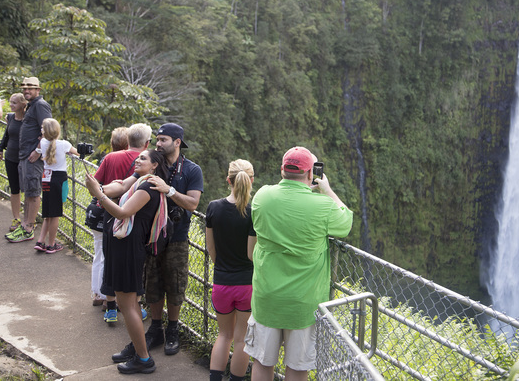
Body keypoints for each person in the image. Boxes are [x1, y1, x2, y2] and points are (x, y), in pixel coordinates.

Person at [244, 147, 353, 381]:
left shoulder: (262, 196)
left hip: (267, 297)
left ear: (282, 169)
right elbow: (345, 222)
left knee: (262, 362)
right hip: (303, 303)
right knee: (297, 368)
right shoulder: (322, 207)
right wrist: (327, 190)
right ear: (311, 173)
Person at [103, 123, 203, 357]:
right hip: (149, 237)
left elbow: (193, 203)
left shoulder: (191, 170)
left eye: (164, 140)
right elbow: (125, 184)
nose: (158, 143)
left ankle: (173, 330)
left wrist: (169, 191)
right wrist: (101, 189)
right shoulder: (151, 164)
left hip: (176, 236)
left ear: (177, 142)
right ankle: (155, 329)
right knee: (152, 284)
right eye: (157, 139)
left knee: (175, 285)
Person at [85, 149, 169, 375]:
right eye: (137, 157)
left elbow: (123, 213)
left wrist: (98, 194)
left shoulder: (147, 187)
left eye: (143, 158)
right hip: (124, 249)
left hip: (128, 252)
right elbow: (120, 186)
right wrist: (101, 188)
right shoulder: (139, 183)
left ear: (154, 165)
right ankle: (139, 351)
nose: (137, 160)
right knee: (129, 304)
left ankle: (143, 359)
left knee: (127, 304)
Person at [94, 123, 151, 323]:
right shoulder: (147, 165)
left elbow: (104, 184)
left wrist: (100, 193)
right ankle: (134, 307)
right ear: (147, 143)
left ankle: (109, 306)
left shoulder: (111, 157)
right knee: (135, 265)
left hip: (110, 215)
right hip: (134, 220)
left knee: (109, 260)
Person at [206, 159, 256, 381]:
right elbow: (250, 254)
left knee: (223, 335)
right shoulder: (253, 212)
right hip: (246, 284)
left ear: (228, 180)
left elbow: (211, 250)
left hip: (222, 282)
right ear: (251, 181)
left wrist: (223, 266)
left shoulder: (213, 207)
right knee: (242, 339)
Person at [5, 77, 52, 242]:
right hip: (24, 156)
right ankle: (25, 224)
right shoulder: (31, 106)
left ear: (38, 90)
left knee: (33, 193)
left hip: (33, 158)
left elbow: (49, 129)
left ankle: (29, 228)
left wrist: (38, 151)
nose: (26, 91)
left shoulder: (40, 105)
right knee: (28, 193)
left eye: (30, 88)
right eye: (24, 88)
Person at [31, 118, 78, 253]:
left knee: (48, 212)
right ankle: (51, 244)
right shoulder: (64, 144)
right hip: (58, 179)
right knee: (55, 213)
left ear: (45, 131)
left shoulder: (43, 142)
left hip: (46, 178)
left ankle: (41, 241)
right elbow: (78, 152)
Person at [0, 93, 28, 230]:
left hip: (25, 159)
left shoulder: (29, 120)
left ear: (23, 104)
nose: (11, 105)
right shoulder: (10, 117)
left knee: (28, 190)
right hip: (10, 157)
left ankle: (28, 220)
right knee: (14, 189)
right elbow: (7, 134)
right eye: (10, 102)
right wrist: (0, 149)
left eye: (14, 102)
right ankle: (16, 219)